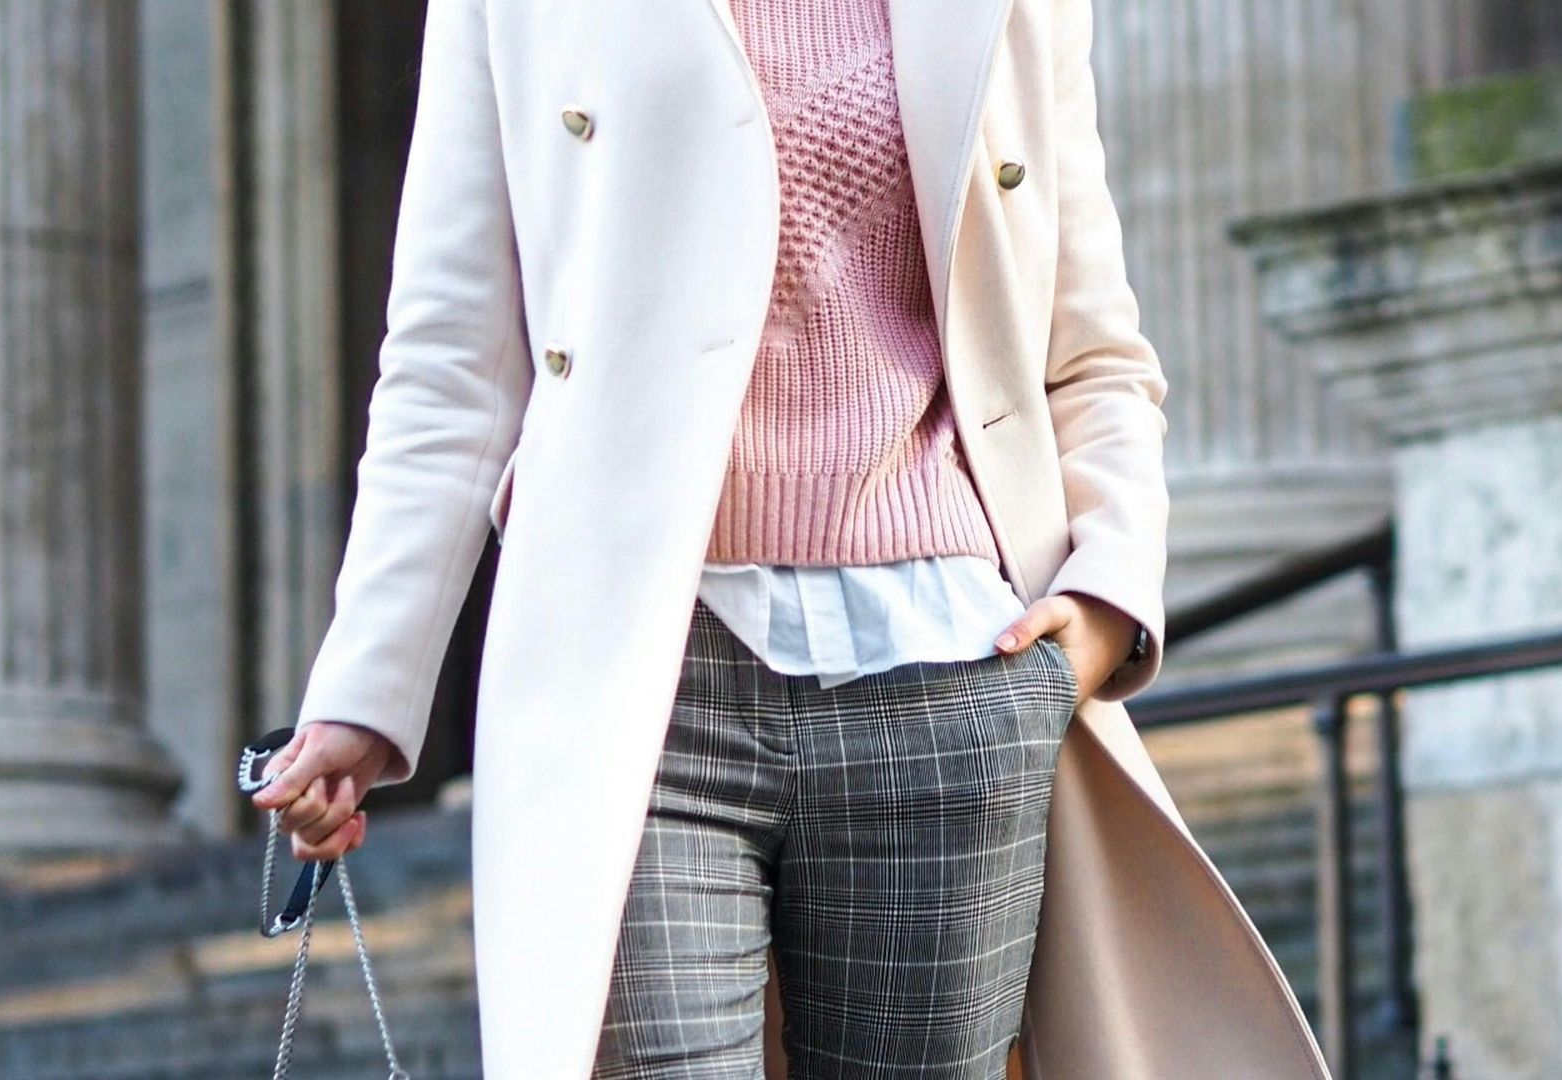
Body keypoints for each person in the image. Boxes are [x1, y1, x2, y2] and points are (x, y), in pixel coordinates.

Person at [246, 0, 1327, 1076]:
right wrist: (364, 690)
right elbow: (449, 367)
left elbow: (1090, 349)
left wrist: (1100, 607)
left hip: (950, 673)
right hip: (646, 686)